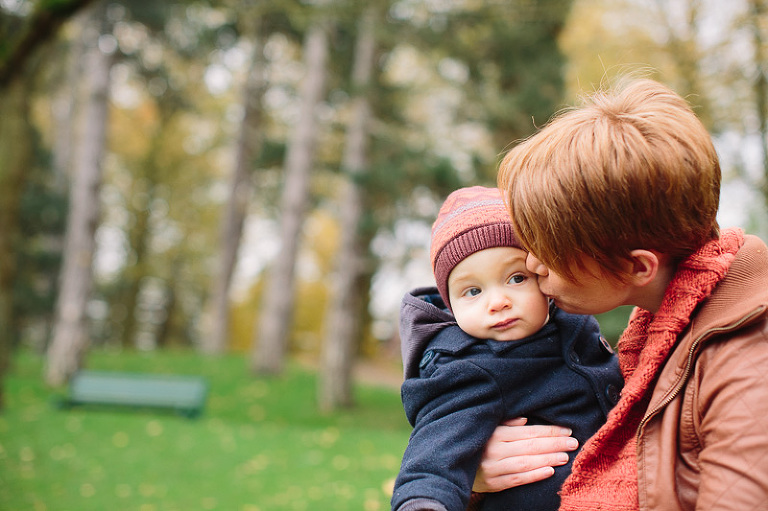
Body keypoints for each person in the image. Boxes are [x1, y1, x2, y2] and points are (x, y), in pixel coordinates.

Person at [472, 76, 768, 510]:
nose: (533, 265)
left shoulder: (748, 368)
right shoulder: (660, 328)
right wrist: (480, 474)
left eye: (549, 249)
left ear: (637, 266)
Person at [391, 186, 623, 511]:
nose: (498, 302)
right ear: (450, 306)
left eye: (516, 278)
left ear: (543, 272)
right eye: (472, 291)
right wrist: (424, 503)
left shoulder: (577, 325)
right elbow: (434, 455)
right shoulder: (469, 368)